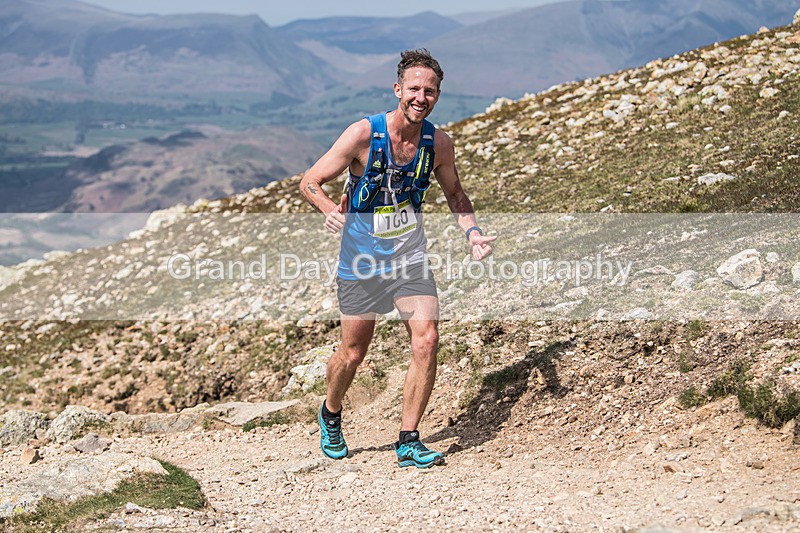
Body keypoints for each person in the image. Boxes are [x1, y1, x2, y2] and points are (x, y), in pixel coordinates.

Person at [299, 49, 496, 468]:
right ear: (397, 90)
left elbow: (455, 194)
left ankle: (408, 440)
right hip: (361, 261)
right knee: (352, 354)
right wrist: (329, 210)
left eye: (430, 91)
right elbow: (310, 181)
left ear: (438, 95)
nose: (421, 97)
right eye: (414, 89)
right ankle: (331, 412)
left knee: (426, 339)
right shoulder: (362, 135)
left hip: (409, 258)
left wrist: (473, 233)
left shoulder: (438, 143)